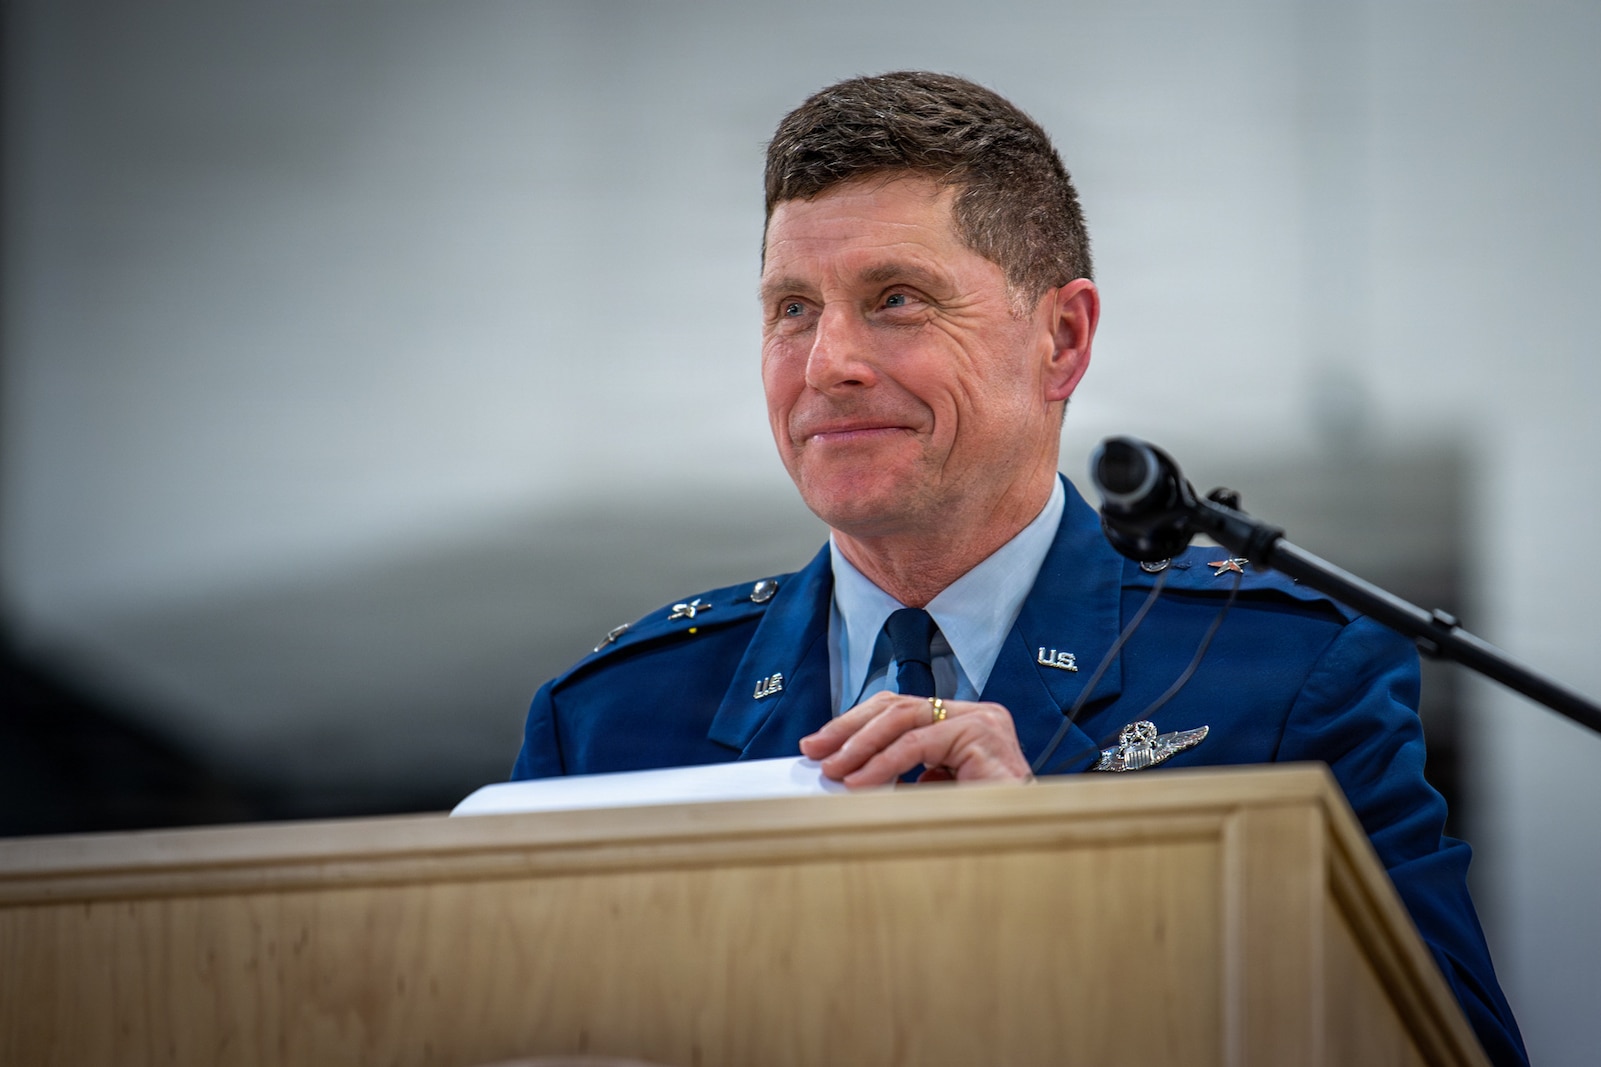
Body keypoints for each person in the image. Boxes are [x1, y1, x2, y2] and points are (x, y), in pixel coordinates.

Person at [513, 71, 1527, 1065]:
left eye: (895, 298)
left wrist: (1058, 889)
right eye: (789, 308)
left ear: (1061, 338)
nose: (824, 362)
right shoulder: (607, 724)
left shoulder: (1288, 679)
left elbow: (1453, 1048)